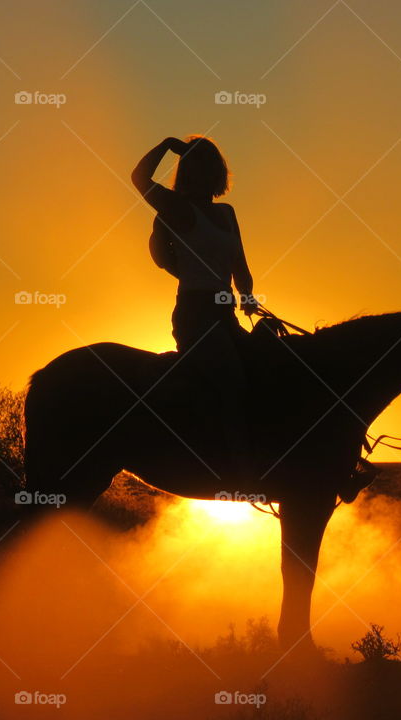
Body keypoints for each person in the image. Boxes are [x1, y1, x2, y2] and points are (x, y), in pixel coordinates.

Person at [131, 135, 259, 484]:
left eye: (212, 166)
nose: (208, 173)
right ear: (189, 172)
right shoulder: (176, 208)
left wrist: (248, 297)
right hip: (194, 315)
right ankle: (239, 471)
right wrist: (165, 145)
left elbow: (240, 268)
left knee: (272, 364)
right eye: (200, 166)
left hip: (226, 314)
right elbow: (139, 179)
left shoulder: (227, 213)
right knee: (230, 378)